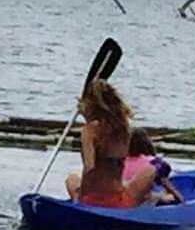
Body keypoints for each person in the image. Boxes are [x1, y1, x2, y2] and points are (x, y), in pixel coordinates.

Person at [65, 79, 159, 208]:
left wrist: (81, 200)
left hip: (91, 199)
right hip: (119, 200)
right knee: (151, 169)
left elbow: (89, 168)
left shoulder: (90, 130)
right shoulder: (124, 129)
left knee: (72, 179)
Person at [124, 128, 184, 204]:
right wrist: (178, 197)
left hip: (123, 197)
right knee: (169, 196)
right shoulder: (153, 162)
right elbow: (165, 179)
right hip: (143, 200)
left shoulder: (119, 161)